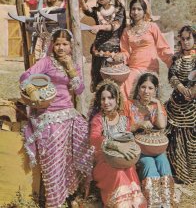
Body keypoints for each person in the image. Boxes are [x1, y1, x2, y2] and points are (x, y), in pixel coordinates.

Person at [20, 28, 94, 208]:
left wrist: (70, 69)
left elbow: (79, 90)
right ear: (52, 45)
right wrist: (33, 91)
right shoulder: (46, 62)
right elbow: (25, 76)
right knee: (54, 157)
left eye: (65, 44)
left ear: (70, 46)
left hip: (69, 113)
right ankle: (54, 200)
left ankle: (72, 191)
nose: (61, 48)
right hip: (49, 114)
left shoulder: (73, 65)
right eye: (58, 44)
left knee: (85, 138)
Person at [89, 79, 147, 207]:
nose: (106, 102)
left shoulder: (123, 119)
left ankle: (135, 203)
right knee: (119, 173)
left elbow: (128, 138)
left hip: (122, 159)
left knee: (130, 168)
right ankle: (121, 204)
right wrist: (115, 145)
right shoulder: (98, 119)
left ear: (117, 99)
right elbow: (94, 139)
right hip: (104, 160)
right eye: (103, 99)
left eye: (110, 98)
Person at [124, 73, 175, 207]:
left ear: (155, 89)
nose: (146, 91)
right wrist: (139, 125)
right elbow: (123, 129)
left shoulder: (156, 106)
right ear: (138, 88)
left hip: (155, 148)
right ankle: (153, 202)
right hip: (137, 148)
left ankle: (167, 201)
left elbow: (162, 125)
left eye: (151, 88)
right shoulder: (128, 105)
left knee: (163, 161)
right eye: (143, 87)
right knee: (149, 163)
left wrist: (157, 103)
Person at [119, 0, 173, 100]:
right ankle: (127, 114)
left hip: (150, 67)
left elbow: (162, 48)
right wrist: (120, 57)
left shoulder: (152, 27)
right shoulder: (127, 30)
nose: (135, 12)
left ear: (145, 11)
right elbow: (124, 51)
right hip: (133, 67)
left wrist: (173, 62)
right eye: (133, 9)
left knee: (146, 93)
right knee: (125, 87)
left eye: (139, 9)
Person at [80, 0, 126, 92]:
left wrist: (99, 27)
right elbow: (86, 9)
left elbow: (114, 26)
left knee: (112, 86)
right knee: (99, 85)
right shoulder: (96, 11)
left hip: (114, 54)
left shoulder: (119, 10)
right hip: (98, 53)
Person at [166, 25, 196, 184]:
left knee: (192, 139)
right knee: (176, 138)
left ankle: (192, 175)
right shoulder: (176, 58)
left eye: (188, 38)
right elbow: (171, 75)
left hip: (192, 107)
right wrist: (181, 88)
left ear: (194, 39)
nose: (185, 42)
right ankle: (179, 173)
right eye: (182, 39)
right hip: (176, 105)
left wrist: (191, 92)